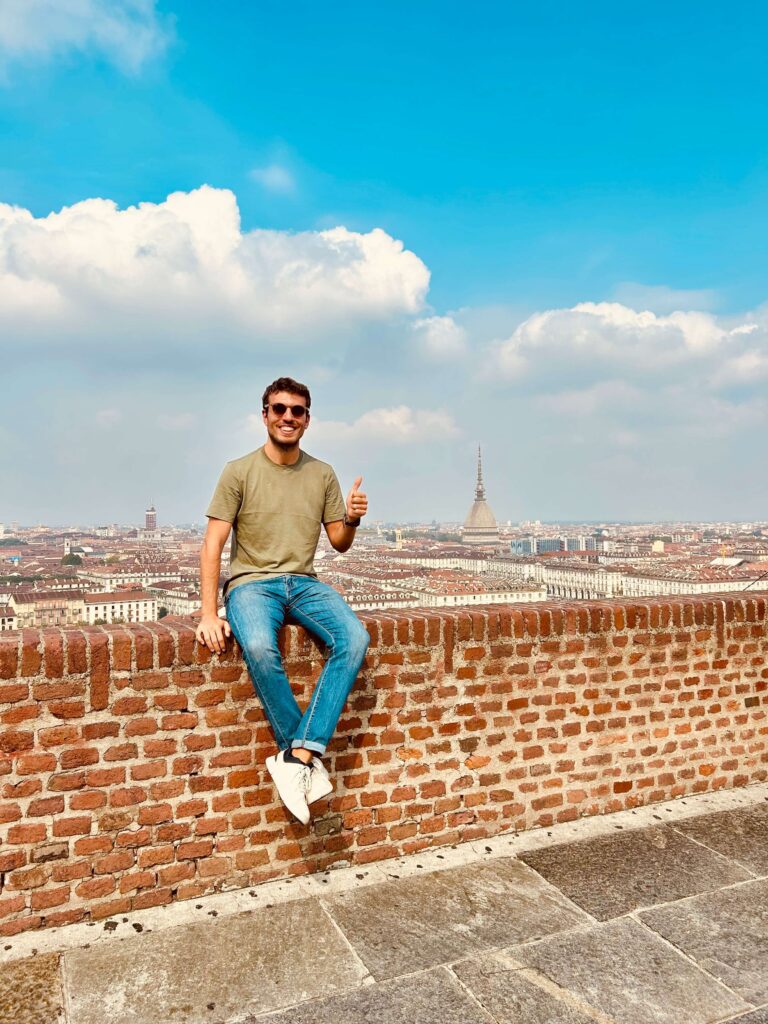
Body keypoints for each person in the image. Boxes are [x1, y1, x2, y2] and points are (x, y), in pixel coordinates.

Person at [195, 376, 370, 825]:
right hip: (251, 584)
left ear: (308, 420)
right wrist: (209, 613)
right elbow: (213, 543)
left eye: (297, 411)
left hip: (304, 582)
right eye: (279, 409)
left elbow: (339, 542)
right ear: (265, 416)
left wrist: (351, 518)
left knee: (354, 638)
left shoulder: (322, 474)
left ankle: (296, 757)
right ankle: (303, 756)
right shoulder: (239, 471)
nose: (287, 417)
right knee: (257, 646)